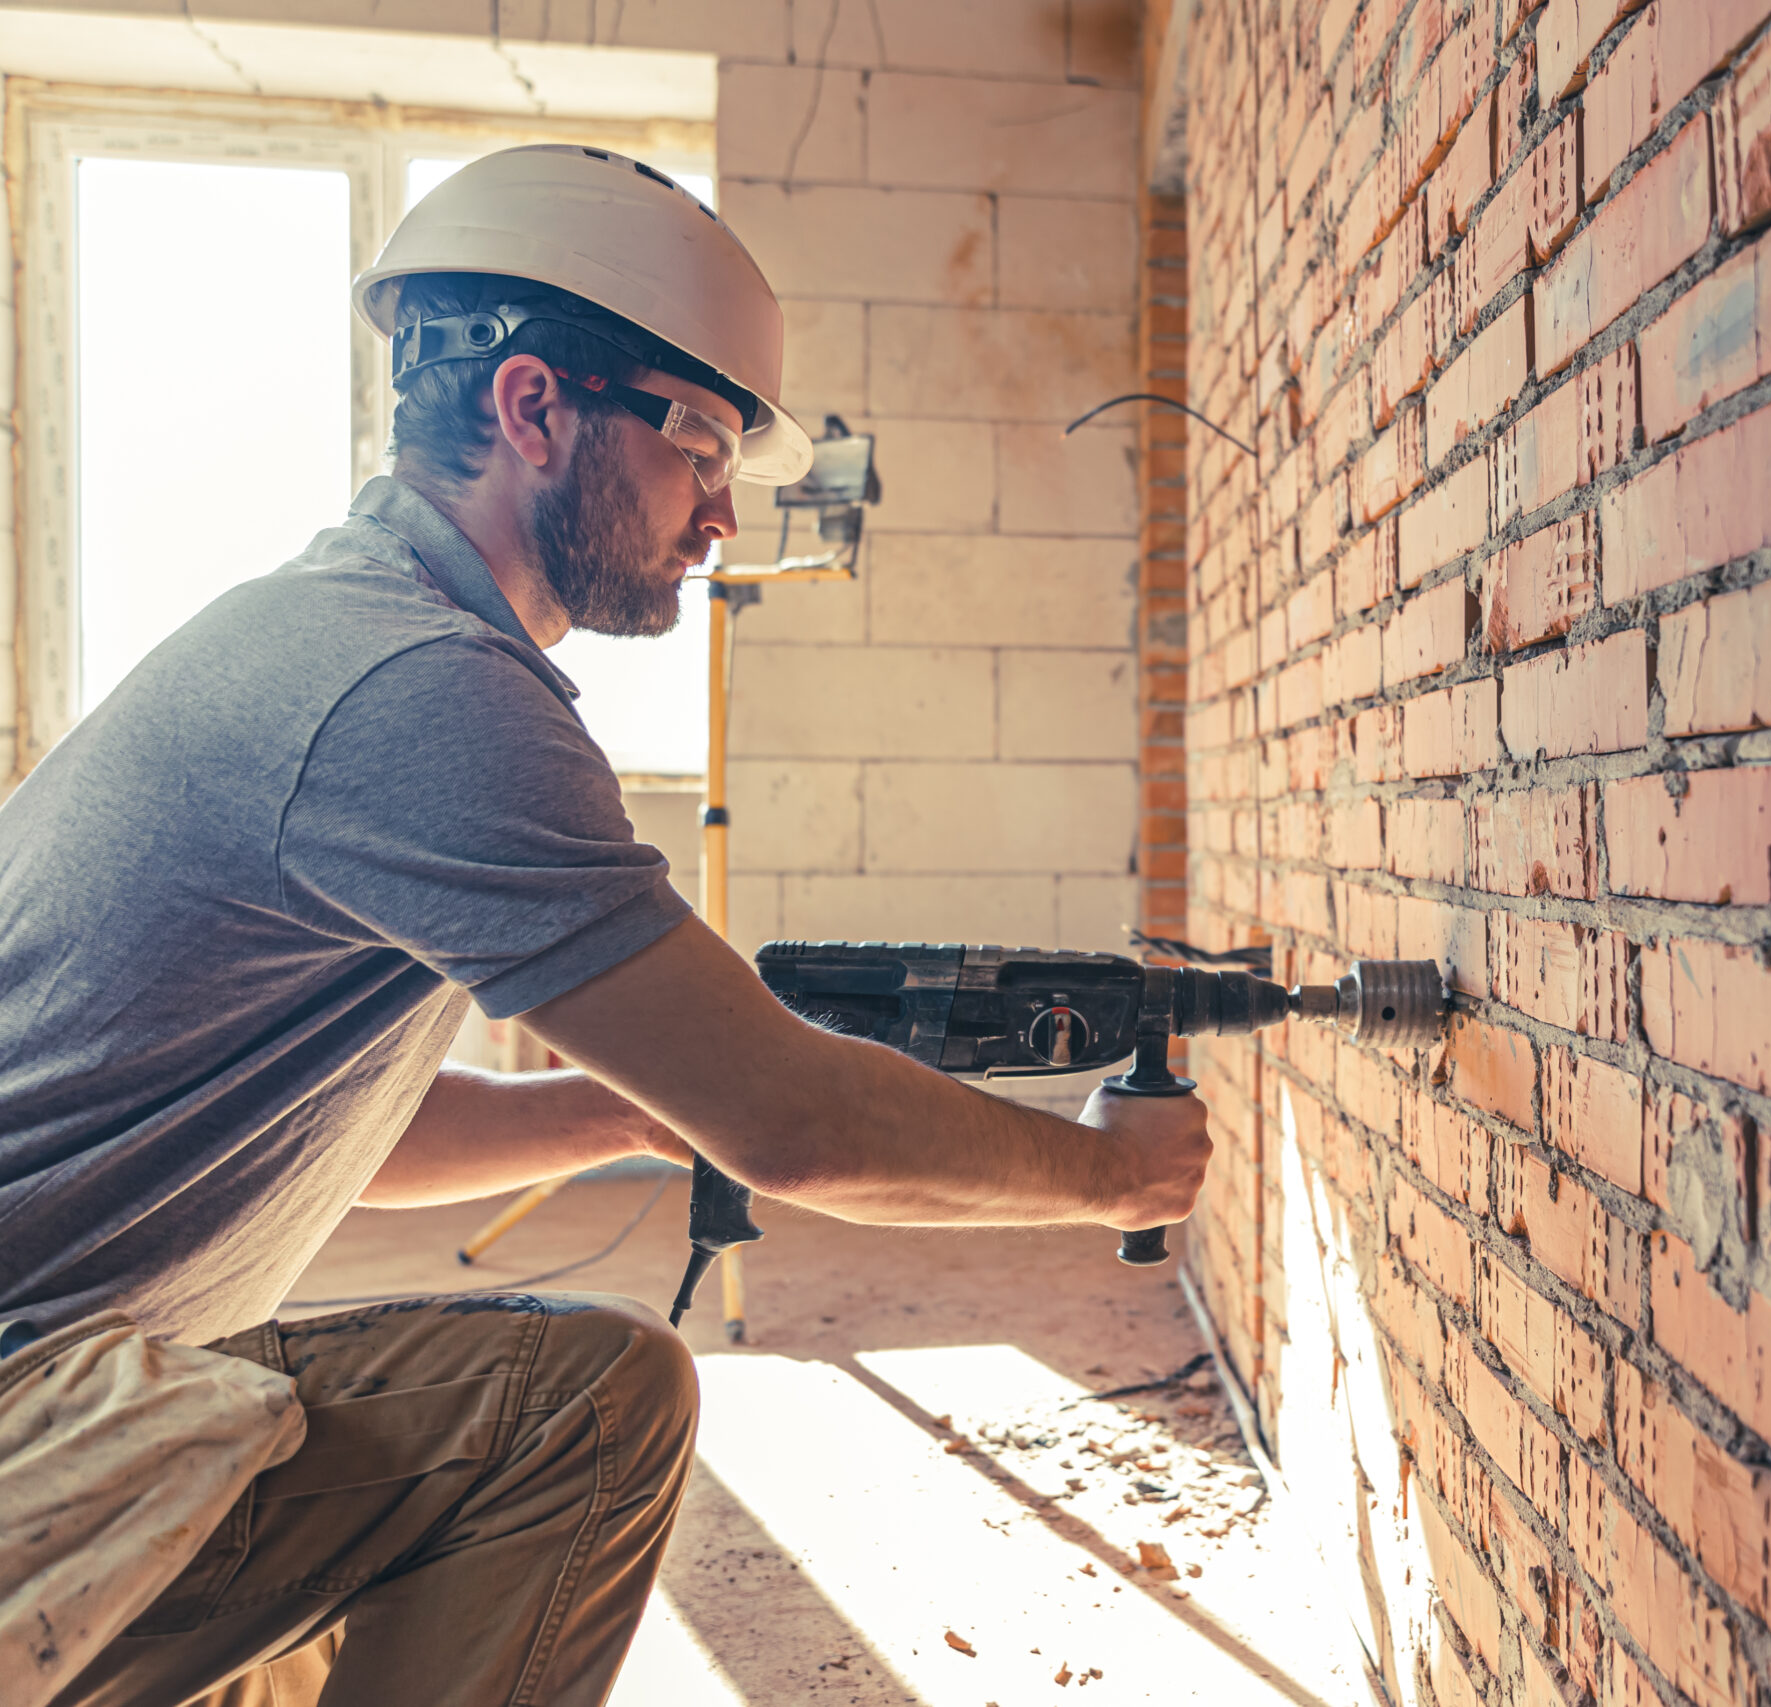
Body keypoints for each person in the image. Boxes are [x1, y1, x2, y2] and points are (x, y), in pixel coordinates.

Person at [0, 144, 1210, 1707]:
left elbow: (321, 1128)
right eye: (700, 445)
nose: (719, 515)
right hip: (32, 1434)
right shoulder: (424, 692)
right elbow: (794, 1126)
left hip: (59, 1383)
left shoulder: (332, 627)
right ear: (532, 409)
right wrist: (1112, 1171)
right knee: (587, 1405)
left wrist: (622, 1106)